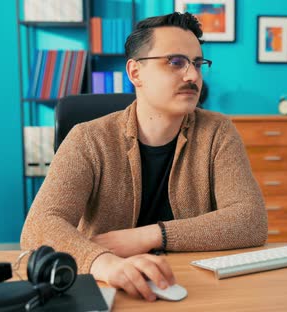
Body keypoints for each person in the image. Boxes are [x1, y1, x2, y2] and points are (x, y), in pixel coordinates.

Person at [20, 12, 267, 302]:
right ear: (135, 73)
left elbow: (250, 220)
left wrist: (151, 235)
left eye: (197, 64)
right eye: (175, 62)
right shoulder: (87, 138)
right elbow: (40, 225)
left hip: (196, 286)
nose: (192, 76)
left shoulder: (218, 131)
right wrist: (105, 263)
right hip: (107, 285)